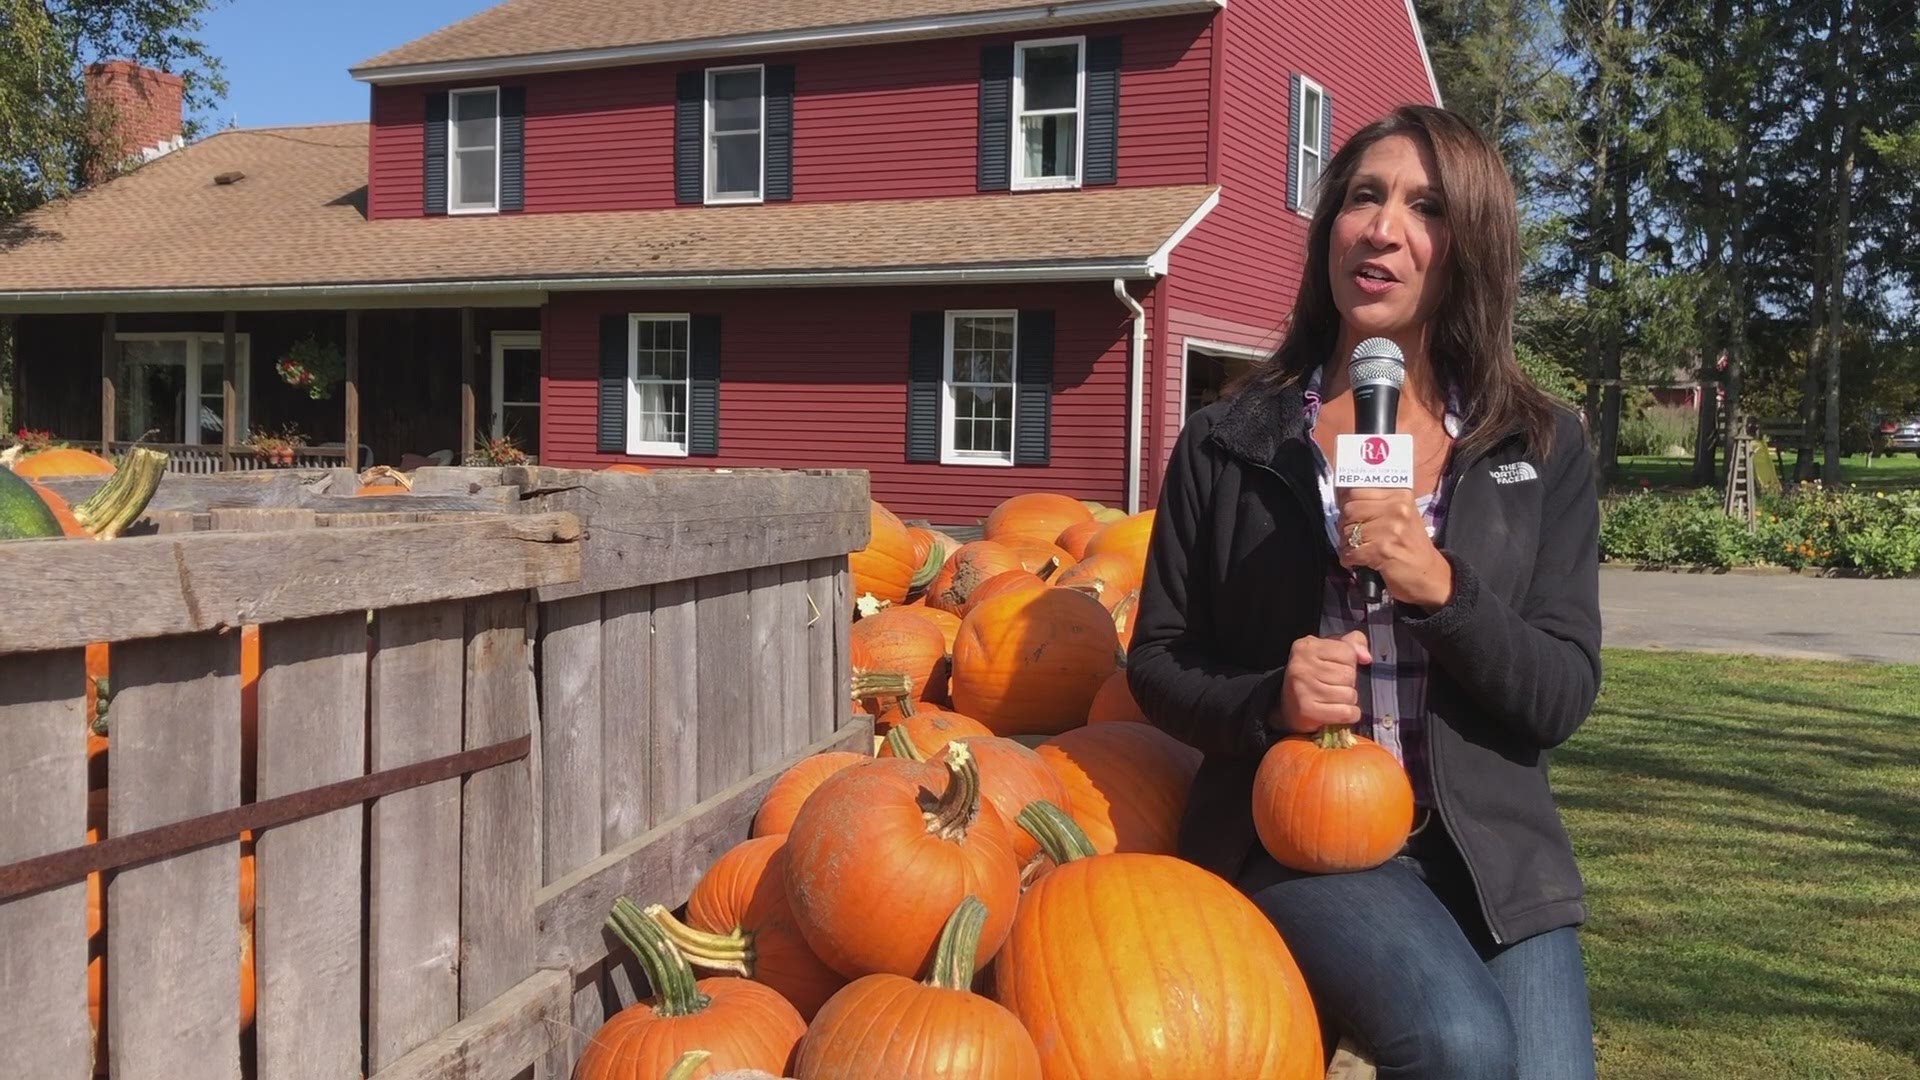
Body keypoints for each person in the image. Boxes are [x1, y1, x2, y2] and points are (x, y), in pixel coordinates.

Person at [1126, 104, 1603, 1080]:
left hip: (1489, 854)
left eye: (1424, 206)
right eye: (1362, 197)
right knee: (1460, 1046)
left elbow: (1558, 693)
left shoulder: (1539, 447)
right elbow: (1158, 662)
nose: (1382, 227)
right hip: (1307, 840)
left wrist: (1440, 587)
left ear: (1468, 247)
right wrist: (1270, 698)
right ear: (1330, 229)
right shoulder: (1231, 444)